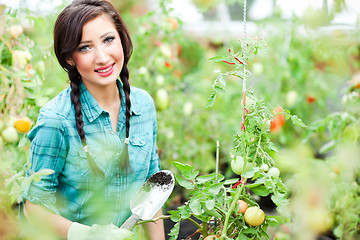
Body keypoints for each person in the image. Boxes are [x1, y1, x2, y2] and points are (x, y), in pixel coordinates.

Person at [20, 0, 165, 239]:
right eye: (85, 47)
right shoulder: (56, 120)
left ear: (122, 39)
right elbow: (33, 207)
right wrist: (88, 234)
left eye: (108, 40)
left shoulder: (143, 105)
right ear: (69, 58)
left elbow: (152, 190)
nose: (102, 57)